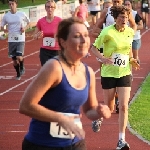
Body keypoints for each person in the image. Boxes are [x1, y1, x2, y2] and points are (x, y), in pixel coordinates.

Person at [19, 17, 111, 150]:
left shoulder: (88, 72)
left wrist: (100, 112)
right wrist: (60, 119)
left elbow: (89, 110)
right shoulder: (54, 68)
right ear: (63, 42)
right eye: (77, 36)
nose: (84, 40)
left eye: (86, 35)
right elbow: (25, 106)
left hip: (76, 143)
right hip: (43, 144)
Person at [91, 6, 140, 150]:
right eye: (121, 17)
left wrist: (133, 60)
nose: (124, 20)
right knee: (110, 107)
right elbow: (94, 48)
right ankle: (99, 117)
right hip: (109, 73)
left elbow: (128, 51)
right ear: (115, 18)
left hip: (124, 72)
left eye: (126, 17)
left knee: (124, 106)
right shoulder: (107, 32)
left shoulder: (130, 32)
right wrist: (102, 58)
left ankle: (121, 140)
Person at [1, 0, 30, 80]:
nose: (11, 5)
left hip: (20, 38)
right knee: (14, 60)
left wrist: (24, 28)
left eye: (12, 4)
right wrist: (4, 30)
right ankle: (18, 74)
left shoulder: (21, 14)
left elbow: (29, 23)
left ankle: (22, 66)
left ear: (16, 5)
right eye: (9, 4)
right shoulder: (6, 16)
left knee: (19, 56)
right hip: (11, 39)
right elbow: (2, 26)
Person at [33, 0, 62, 66]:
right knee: (46, 70)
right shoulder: (41, 21)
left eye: (52, 7)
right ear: (45, 8)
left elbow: (65, 35)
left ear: (54, 8)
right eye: (48, 7)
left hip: (56, 51)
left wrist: (58, 37)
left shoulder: (59, 21)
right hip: (44, 51)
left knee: (55, 70)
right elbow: (34, 36)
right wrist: (37, 35)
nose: (50, 9)